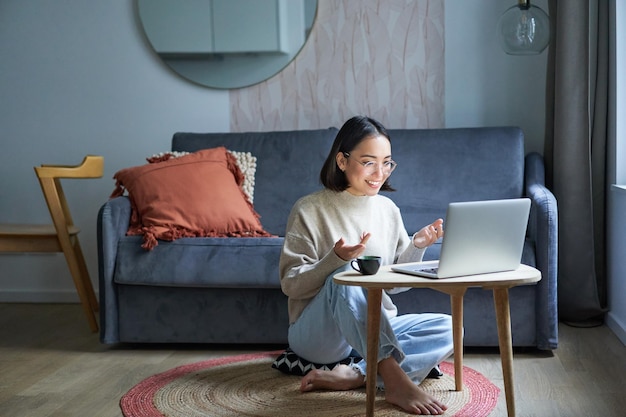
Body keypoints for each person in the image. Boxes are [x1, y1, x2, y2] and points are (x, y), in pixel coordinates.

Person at [279, 115, 454, 415]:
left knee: (452, 328)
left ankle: (357, 374)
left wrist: (417, 246)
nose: (380, 173)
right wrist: (335, 260)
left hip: (372, 327)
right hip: (321, 337)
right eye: (369, 162)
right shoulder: (308, 209)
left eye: (387, 162)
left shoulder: (387, 209)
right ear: (342, 161)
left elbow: (397, 287)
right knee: (345, 274)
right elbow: (290, 284)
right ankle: (394, 379)